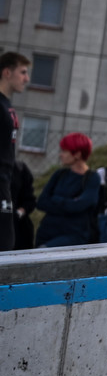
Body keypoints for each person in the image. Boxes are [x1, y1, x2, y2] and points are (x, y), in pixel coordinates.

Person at [36, 133, 102, 247]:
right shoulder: (60, 174)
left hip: (72, 236)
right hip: (46, 232)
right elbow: (41, 202)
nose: (61, 155)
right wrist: (70, 202)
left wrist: (56, 199)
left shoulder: (91, 178)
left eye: (64, 151)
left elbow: (80, 205)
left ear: (77, 154)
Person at [0, 50, 25, 251]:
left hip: (5, 180)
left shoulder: (7, 105)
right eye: (22, 72)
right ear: (7, 72)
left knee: (7, 241)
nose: (27, 78)